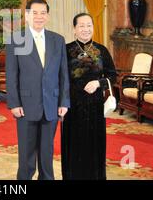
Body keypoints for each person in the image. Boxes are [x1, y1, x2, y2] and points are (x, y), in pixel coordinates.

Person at [6, 0, 70, 180]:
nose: (39, 17)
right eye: (35, 13)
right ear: (27, 16)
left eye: (43, 13)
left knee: (46, 155)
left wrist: (64, 102)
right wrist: (14, 103)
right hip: (25, 106)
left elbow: (63, 74)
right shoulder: (16, 40)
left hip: (51, 106)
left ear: (48, 16)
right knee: (26, 156)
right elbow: (12, 75)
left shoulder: (58, 40)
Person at [61, 13, 117, 180]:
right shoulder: (65, 49)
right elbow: (59, 77)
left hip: (95, 106)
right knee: (73, 145)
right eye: (81, 26)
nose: (86, 29)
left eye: (89, 26)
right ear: (74, 29)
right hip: (72, 105)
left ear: (93, 27)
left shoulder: (101, 50)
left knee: (94, 145)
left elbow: (113, 76)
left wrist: (99, 83)